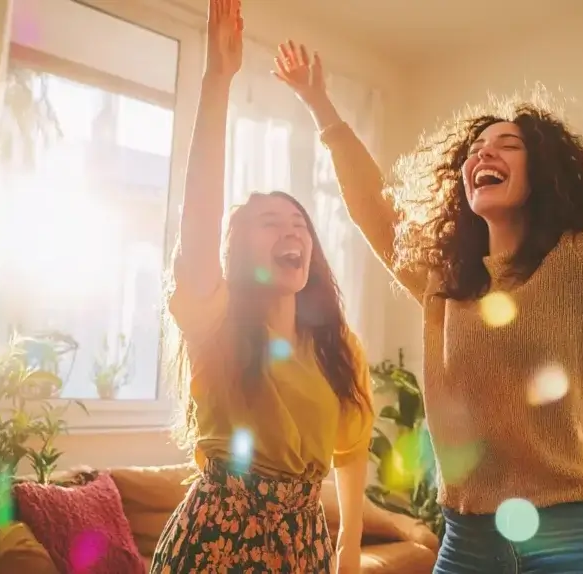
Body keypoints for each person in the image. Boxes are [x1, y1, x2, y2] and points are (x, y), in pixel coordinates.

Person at [275, 0, 583, 570]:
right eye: (475, 150)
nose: (482, 153)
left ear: (542, 172)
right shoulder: (445, 286)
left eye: (507, 144)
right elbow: (375, 213)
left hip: (576, 534)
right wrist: (321, 108)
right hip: (469, 540)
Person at [151, 1, 373, 572]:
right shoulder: (217, 324)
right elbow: (198, 225)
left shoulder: (338, 348)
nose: (292, 229)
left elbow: (350, 450)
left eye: (300, 224)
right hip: (216, 540)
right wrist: (217, 80)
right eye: (270, 222)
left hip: (304, 547)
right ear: (239, 253)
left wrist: (347, 542)